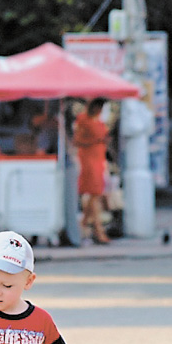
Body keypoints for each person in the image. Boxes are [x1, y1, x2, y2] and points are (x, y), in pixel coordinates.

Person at [72, 97, 111, 244]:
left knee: (96, 194)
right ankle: (98, 230)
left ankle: (83, 226)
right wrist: (94, 142)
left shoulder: (99, 121)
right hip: (88, 159)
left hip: (99, 158)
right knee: (94, 194)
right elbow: (77, 141)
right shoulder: (83, 120)